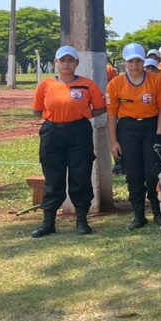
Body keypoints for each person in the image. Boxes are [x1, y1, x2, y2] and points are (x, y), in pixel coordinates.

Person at [30, 46, 107, 237]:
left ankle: (81, 220)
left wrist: (83, 114)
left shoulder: (87, 84)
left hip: (79, 132)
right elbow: (37, 110)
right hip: (52, 133)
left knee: (80, 175)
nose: (66, 64)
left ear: (76, 63)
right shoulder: (45, 85)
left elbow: (100, 107)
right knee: (53, 178)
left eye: (70, 60)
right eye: (62, 60)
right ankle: (48, 223)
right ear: (56, 63)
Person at [106, 43, 161, 230]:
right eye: (130, 61)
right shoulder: (115, 84)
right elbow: (111, 115)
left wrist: (160, 135)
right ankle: (139, 214)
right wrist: (113, 141)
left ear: (144, 61)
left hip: (151, 127)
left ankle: (158, 211)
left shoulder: (156, 80)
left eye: (138, 61)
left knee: (153, 173)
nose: (134, 65)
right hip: (127, 129)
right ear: (124, 62)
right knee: (133, 174)